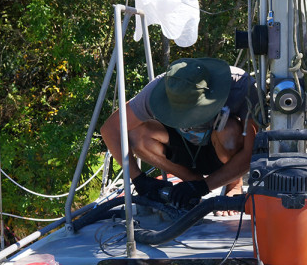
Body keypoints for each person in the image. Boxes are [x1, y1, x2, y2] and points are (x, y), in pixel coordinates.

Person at [100, 58, 260, 209]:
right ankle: (191, 179)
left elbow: (251, 151)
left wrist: (204, 187)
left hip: (219, 149)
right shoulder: (162, 88)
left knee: (230, 130)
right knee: (136, 133)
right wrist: (138, 178)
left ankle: (233, 183)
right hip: (182, 148)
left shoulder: (240, 86)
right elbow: (110, 129)